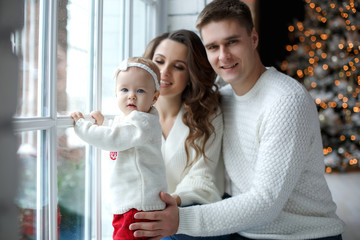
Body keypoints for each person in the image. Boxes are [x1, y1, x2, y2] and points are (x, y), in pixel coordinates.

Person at [129, 1, 345, 240]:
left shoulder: (286, 101)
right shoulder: (223, 99)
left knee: (176, 230)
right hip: (244, 229)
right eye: (213, 47)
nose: (224, 56)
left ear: (253, 39)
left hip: (299, 234)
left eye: (232, 42)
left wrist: (180, 220)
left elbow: (265, 203)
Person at [70, 57, 168, 240]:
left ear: (155, 96)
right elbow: (118, 133)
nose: (131, 95)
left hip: (138, 206)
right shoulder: (130, 120)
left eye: (140, 90)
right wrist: (102, 123)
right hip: (132, 203)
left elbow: (113, 139)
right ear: (116, 93)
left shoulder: (142, 123)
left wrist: (82, 126)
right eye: (124, 89)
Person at [142, 29, 225, 208]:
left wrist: (173, 202)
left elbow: (202, 178)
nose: (164, 72)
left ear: (190, 75)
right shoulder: (133, 114)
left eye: (178, 66)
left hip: (189, 213)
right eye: (159, 61)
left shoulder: (207, 115)